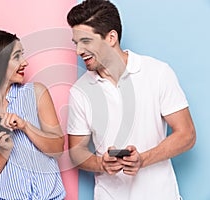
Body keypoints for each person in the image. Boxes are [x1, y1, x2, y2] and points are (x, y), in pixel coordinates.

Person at [66, 0, 196, 199]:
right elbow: (77, 152)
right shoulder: (80, 91)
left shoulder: (158, 72)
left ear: (111, 38)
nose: (78, 51)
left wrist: (143, 159)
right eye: (76, 43)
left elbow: (186, 134)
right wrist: (101, 163)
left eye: (86, 41)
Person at [0, 29, 66, 200]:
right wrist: (4, 149)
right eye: (17, 57)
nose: (24, 62)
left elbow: (57, 149)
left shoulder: (36, 93)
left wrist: (25, 126)